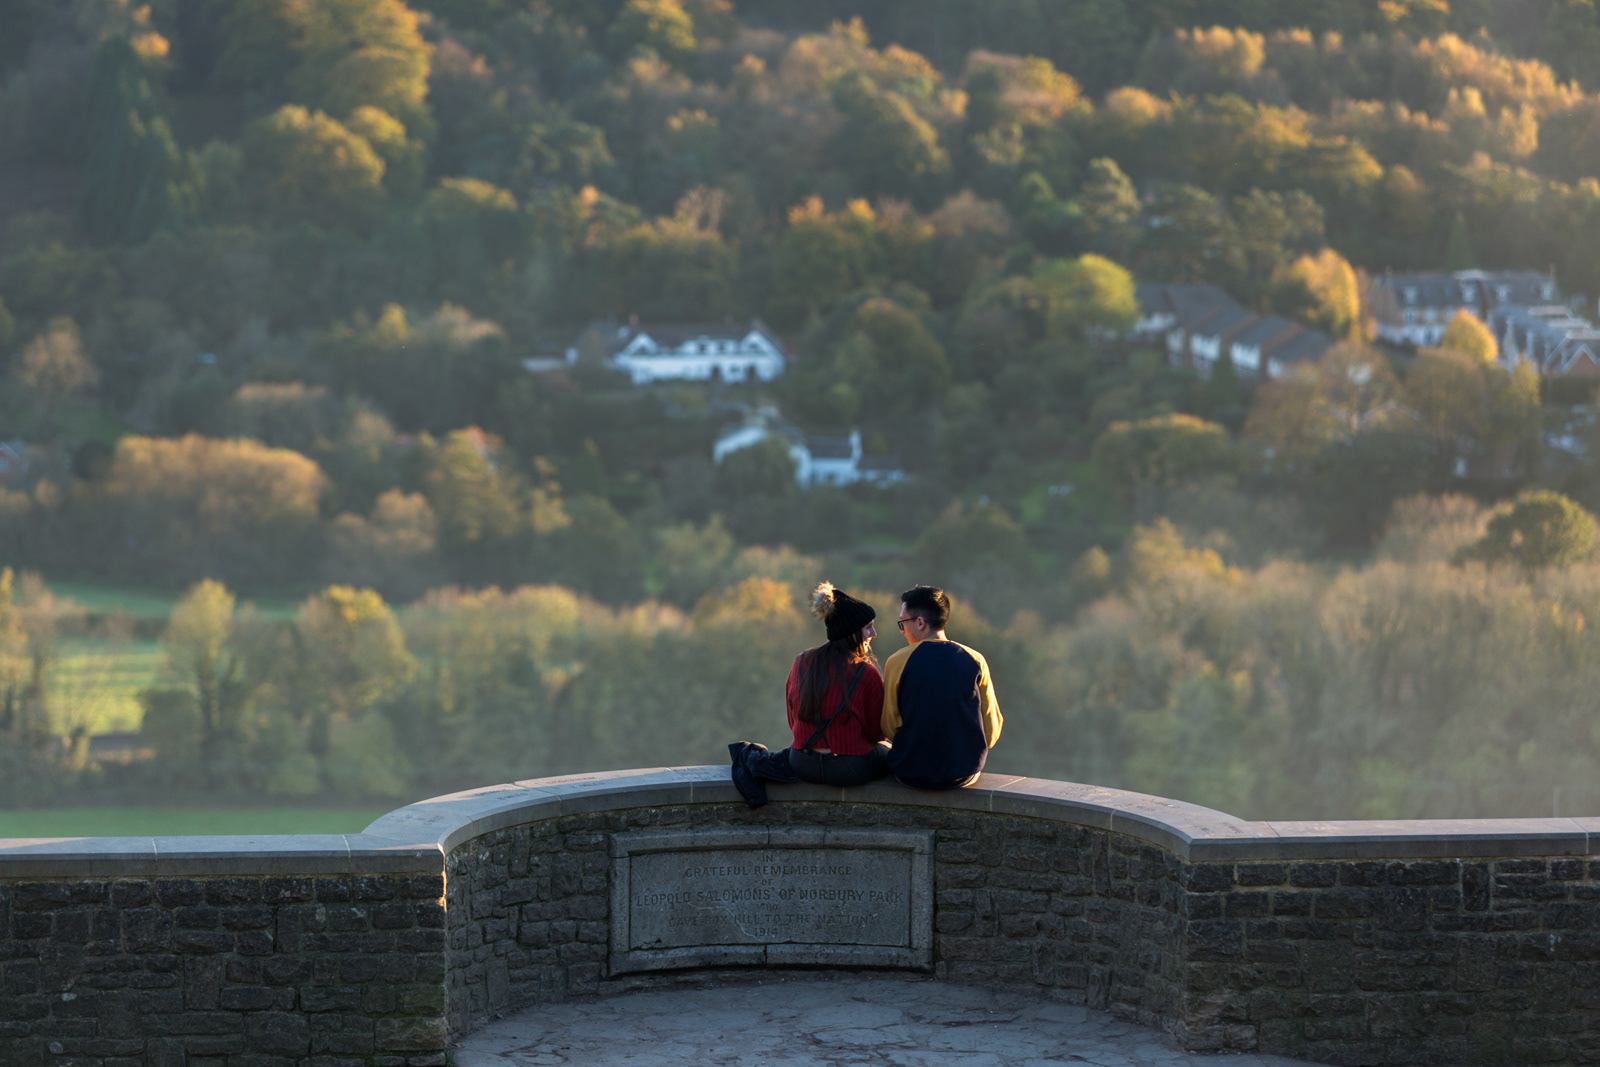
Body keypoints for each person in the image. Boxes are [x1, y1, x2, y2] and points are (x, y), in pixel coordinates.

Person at [880, 585, 1002, 789]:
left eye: (903, 623)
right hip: (963, 773)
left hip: (910, 772)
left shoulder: (897, 662)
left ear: (920, 623)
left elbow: (888, 726)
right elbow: (991, 730)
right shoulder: (975, 659)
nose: (903, 631)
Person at [782, 581, 891, 787]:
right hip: (849, 769)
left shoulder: (802, 662)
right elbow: (877, 733)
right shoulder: (866, 673)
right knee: (889, 752)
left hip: (802, 764)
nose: (874, 634)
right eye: (868, 627)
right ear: (851, 631)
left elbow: (793, 719)